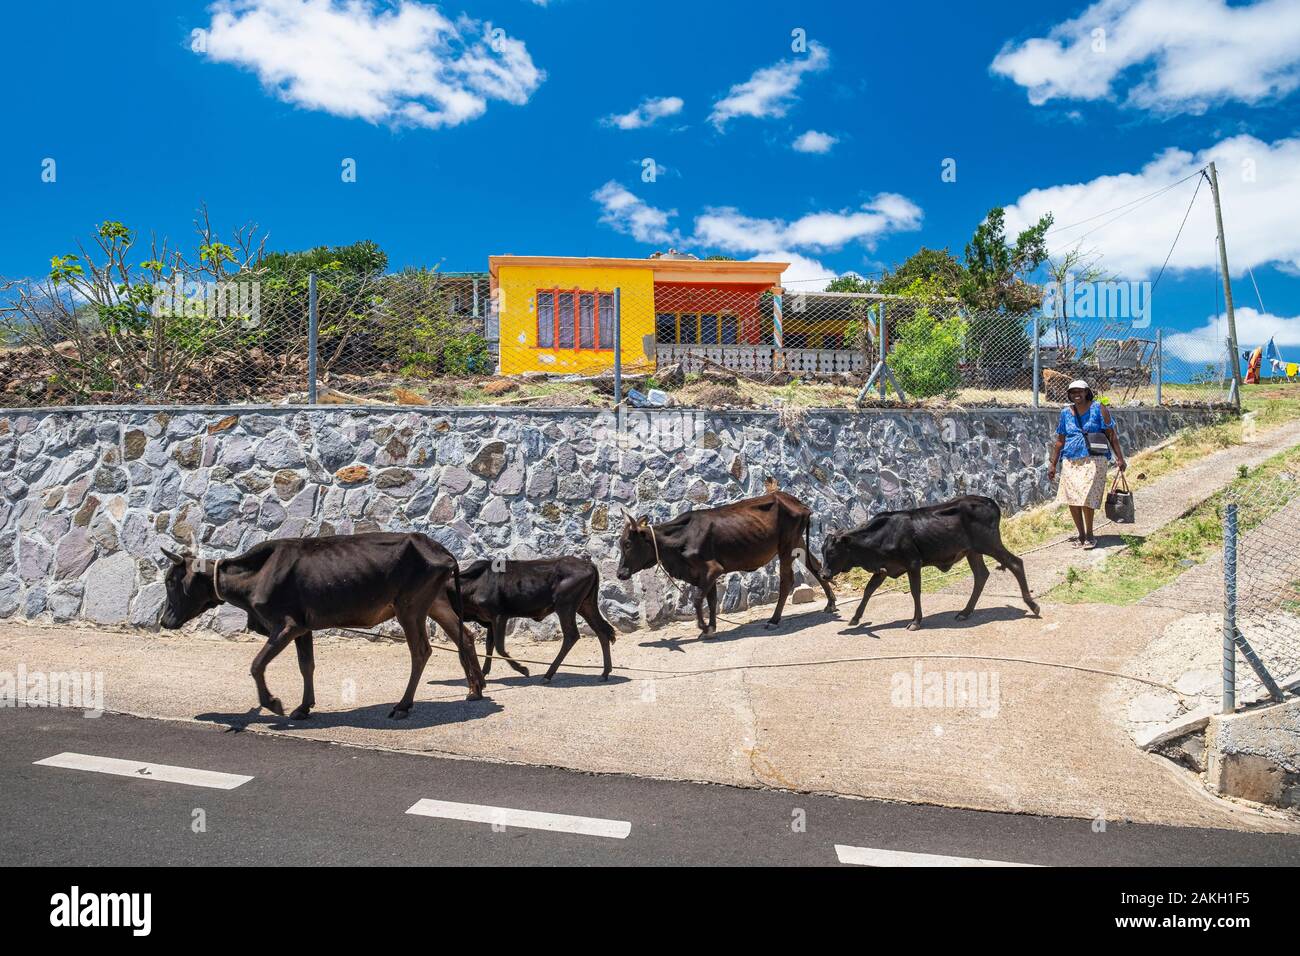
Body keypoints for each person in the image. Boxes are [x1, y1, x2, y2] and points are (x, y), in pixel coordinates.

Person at [1048, 379, 1126, 549]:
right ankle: (1081, 535)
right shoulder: (1065, 413)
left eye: (1080, 391)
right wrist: (1053, 463)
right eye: (1073, 392)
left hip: (1094, 459)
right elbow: (1060, 441)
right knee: (1073, 498)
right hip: (1070, 459)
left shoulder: (1099, 409)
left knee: (1086, 497)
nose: (1077, 395)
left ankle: (1090, 534)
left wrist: (1119, 458)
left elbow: (1111, 435)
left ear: (1086, 392)